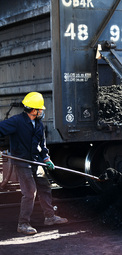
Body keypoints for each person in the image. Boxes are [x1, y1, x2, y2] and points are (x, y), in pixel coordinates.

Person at [0, 92, 68, 235]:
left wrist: (46, 159)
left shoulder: (39, 124)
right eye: (40, 109)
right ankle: (23, 224)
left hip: (36, 161)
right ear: (33, 110)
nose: (42, 112)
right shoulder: (16, 121)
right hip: (22, 161)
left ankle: (50, 217)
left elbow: (42, 145)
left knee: (44, 187)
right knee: (30, 192)